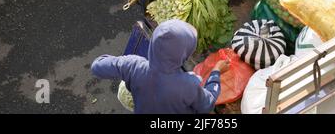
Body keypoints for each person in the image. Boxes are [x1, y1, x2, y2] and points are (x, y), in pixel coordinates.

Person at [91, 19, 230, 114]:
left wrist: (121, 63)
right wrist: (216, 72)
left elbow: (96, 66)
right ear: (184, 55)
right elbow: (207, 104)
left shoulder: (133, 65)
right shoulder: (188, 85)